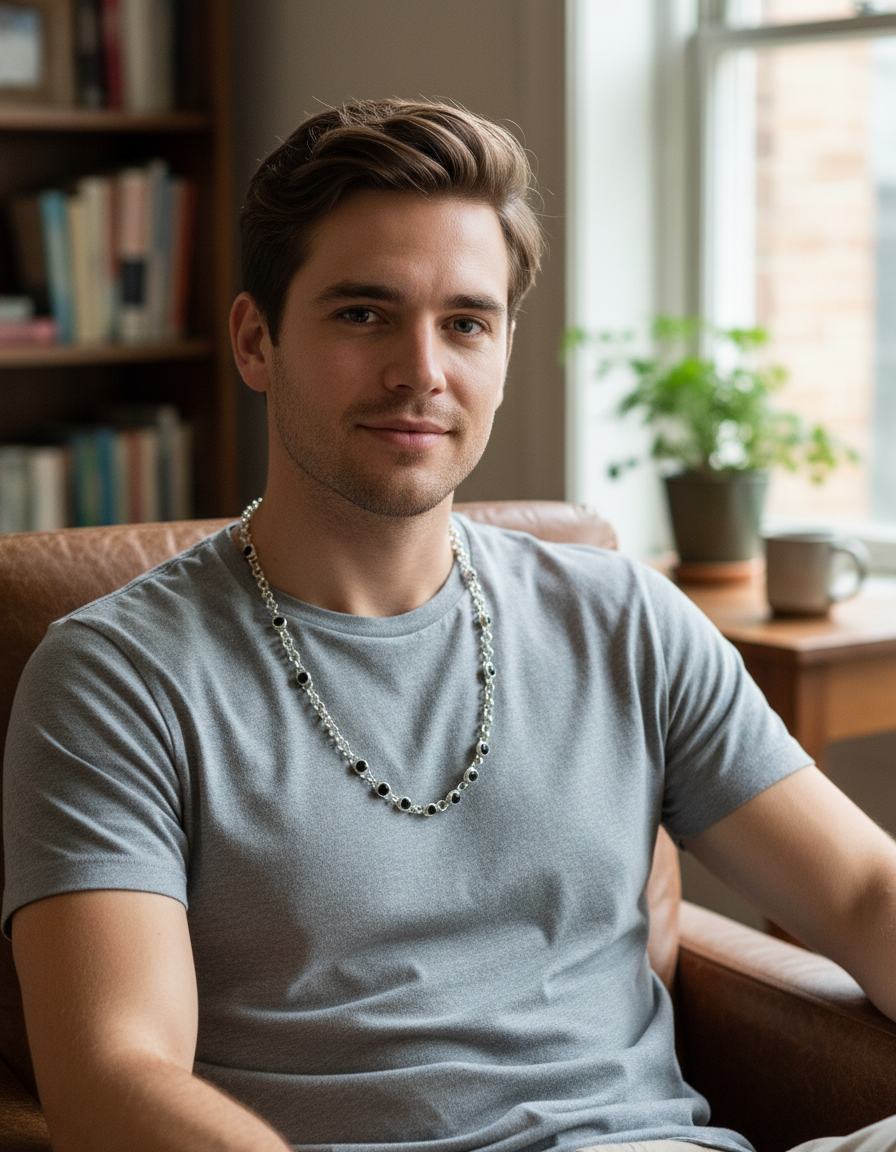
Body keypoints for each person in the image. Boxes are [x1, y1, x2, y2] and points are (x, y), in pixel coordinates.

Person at [3, 99, 896, 1152]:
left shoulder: (625, 620)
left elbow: (860, 888)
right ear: (255, 340)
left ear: (505, 347)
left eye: (464, 321)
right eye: (362, 313)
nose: (421, 370)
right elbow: (114, 1077)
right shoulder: (118, 676)